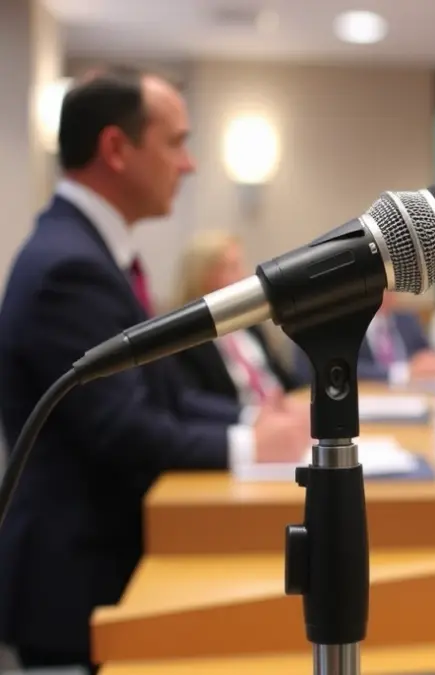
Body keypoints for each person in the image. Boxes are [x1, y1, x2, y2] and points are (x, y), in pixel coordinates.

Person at [0, 66, 309, 673]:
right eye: (175, 143)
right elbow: (120, 428)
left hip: (99, 561)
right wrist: (249, 445)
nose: (188, 165)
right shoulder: (69, 267)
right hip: (76, 582)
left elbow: (162, 392)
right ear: (116, 148)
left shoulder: (90, 251)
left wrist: (252, 416)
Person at [172, 231, 304, 404]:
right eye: (233, 267)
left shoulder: (248, 322)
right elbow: (196, 402)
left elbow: (283, 378)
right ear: (204, 275)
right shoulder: (188, 340)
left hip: (283, 409)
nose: (243, 274)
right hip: (243, 417)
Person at [359, 291, 435, 381]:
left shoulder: (406, 319)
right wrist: (402, 372)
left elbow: (425, 349)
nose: (386, 295)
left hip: (412, 383)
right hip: (371, 384)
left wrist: (429, 360)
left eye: (390, 291)